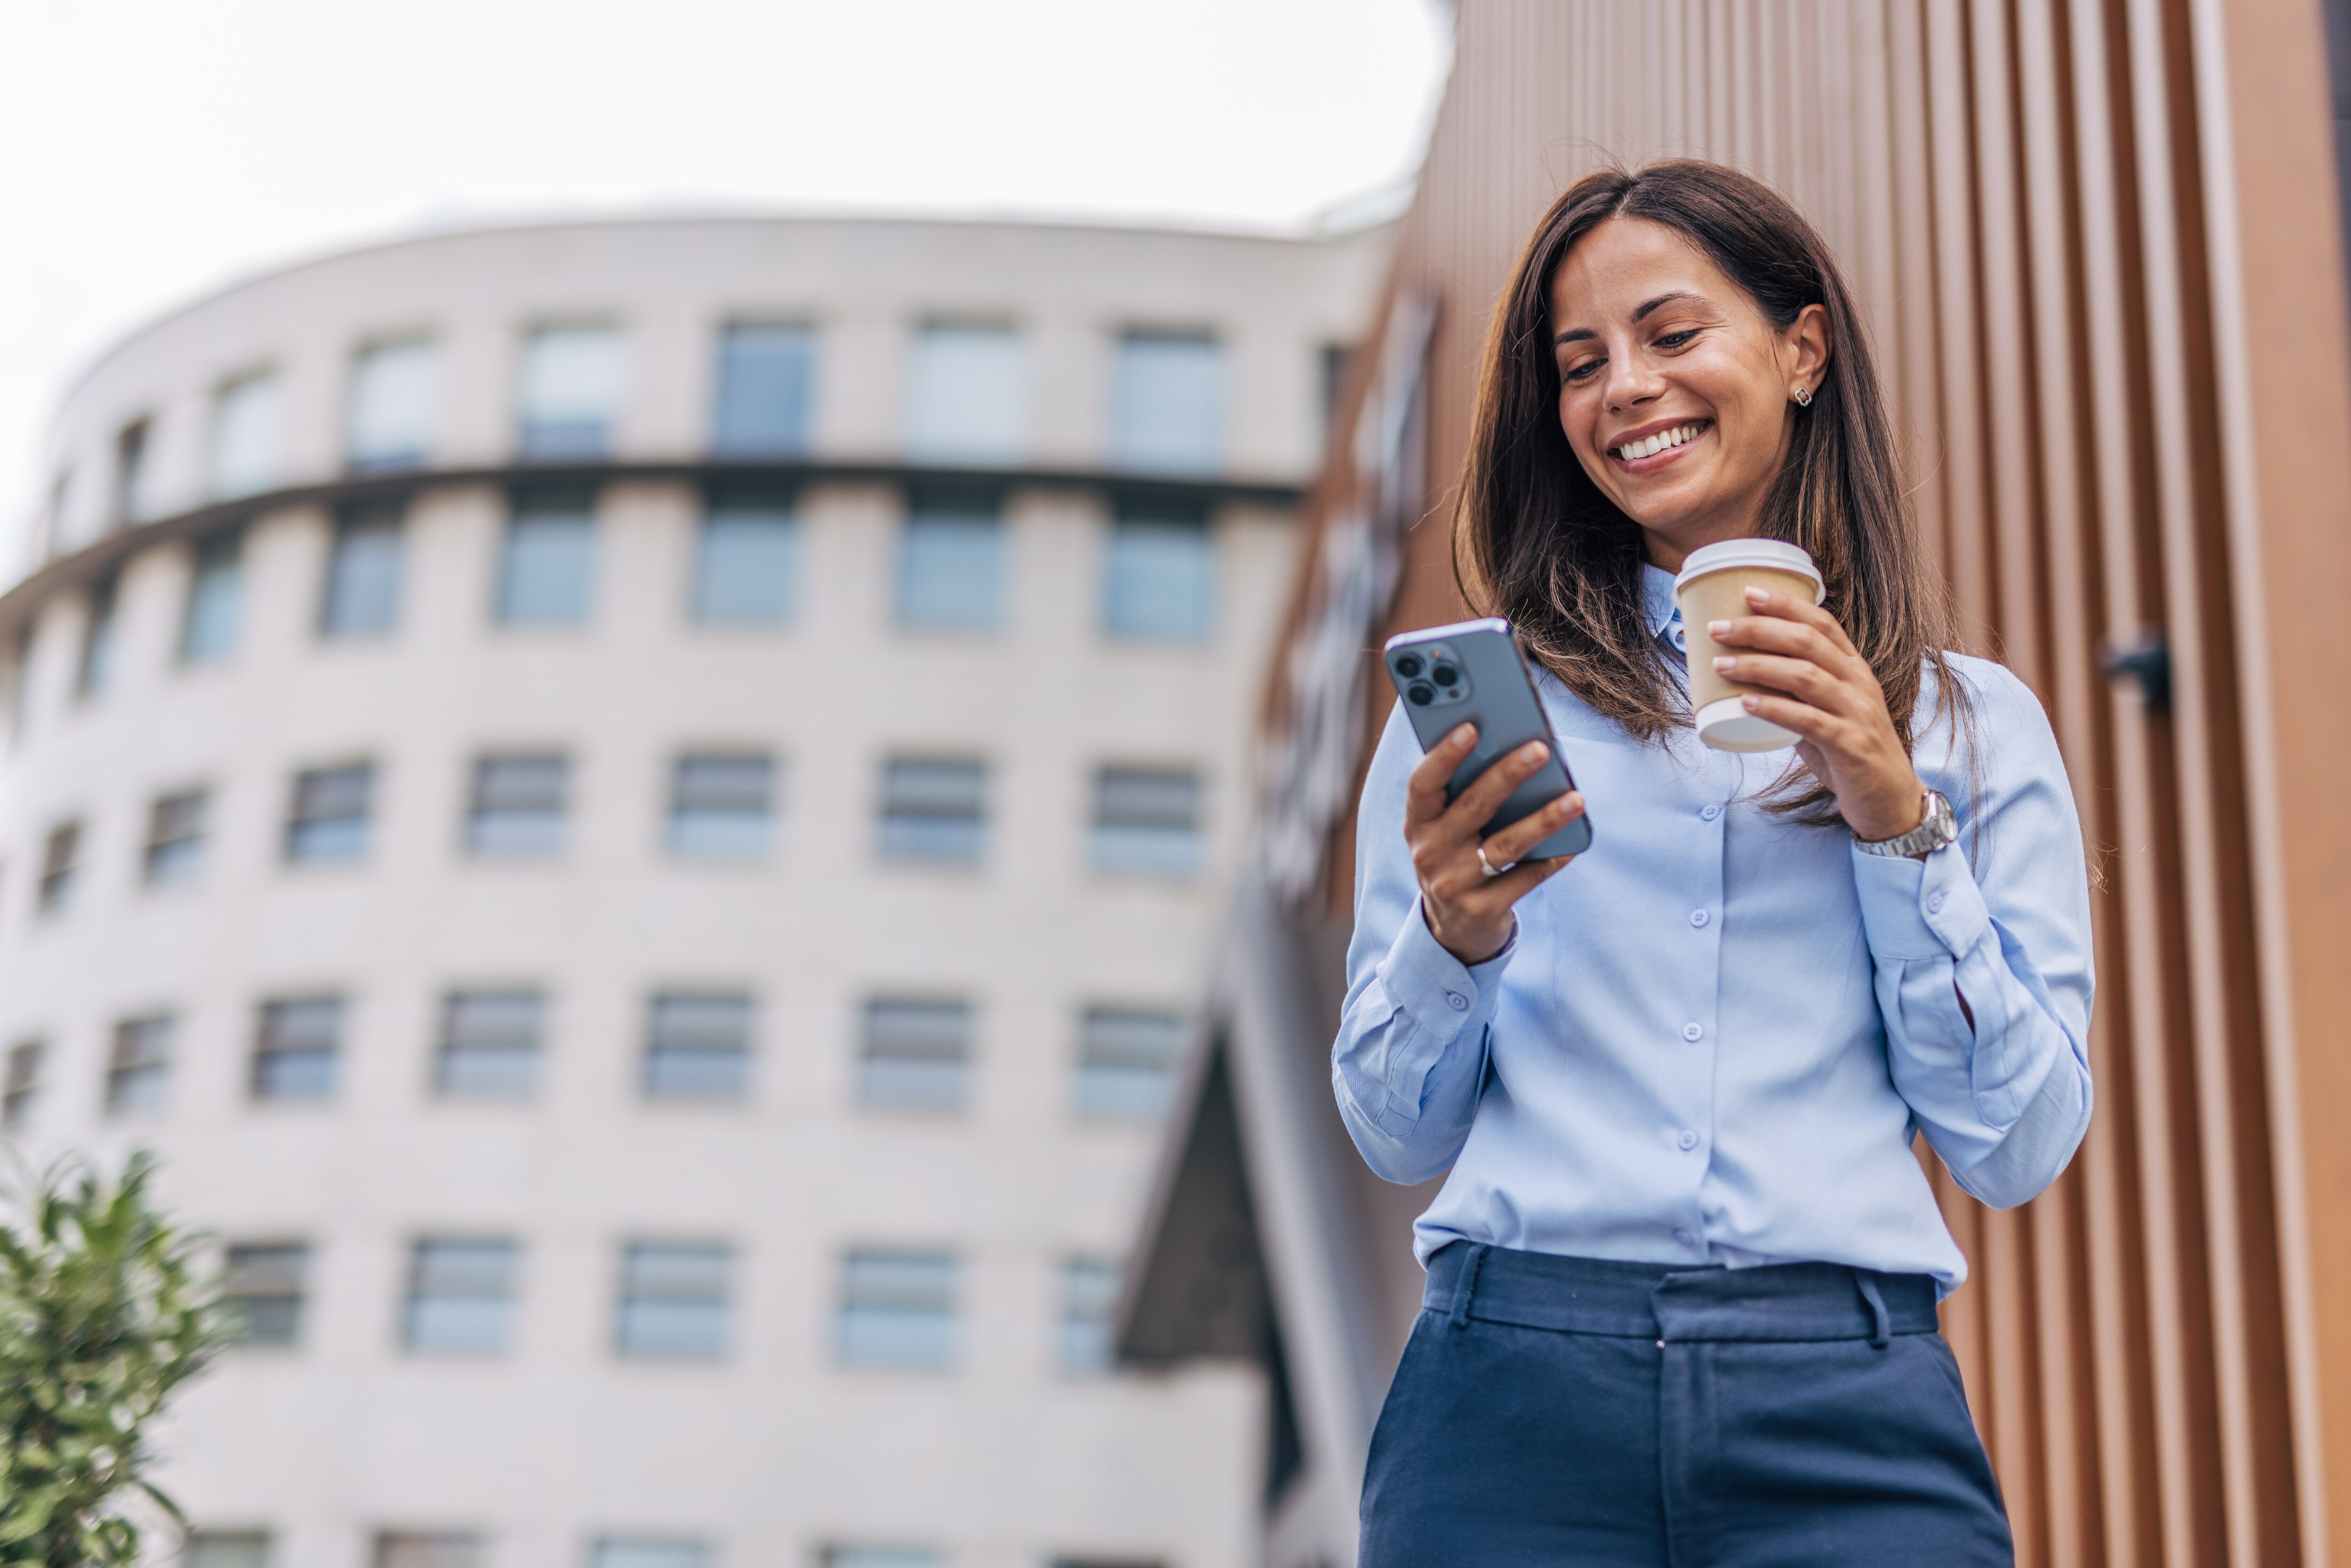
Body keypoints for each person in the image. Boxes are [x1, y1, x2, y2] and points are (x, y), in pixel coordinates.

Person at [1334, 160, 2092, 1566]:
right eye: (1581, 364)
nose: (1625, 388)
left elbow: (2019, 1142)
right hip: (1513, 1391)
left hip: (1845, 1399)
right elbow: (1393, 1134)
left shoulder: (1965, 724)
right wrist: (1454, 931)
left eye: (1672, 336)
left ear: (1803, 352)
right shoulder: (1492, 716)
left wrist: (1893, 812)